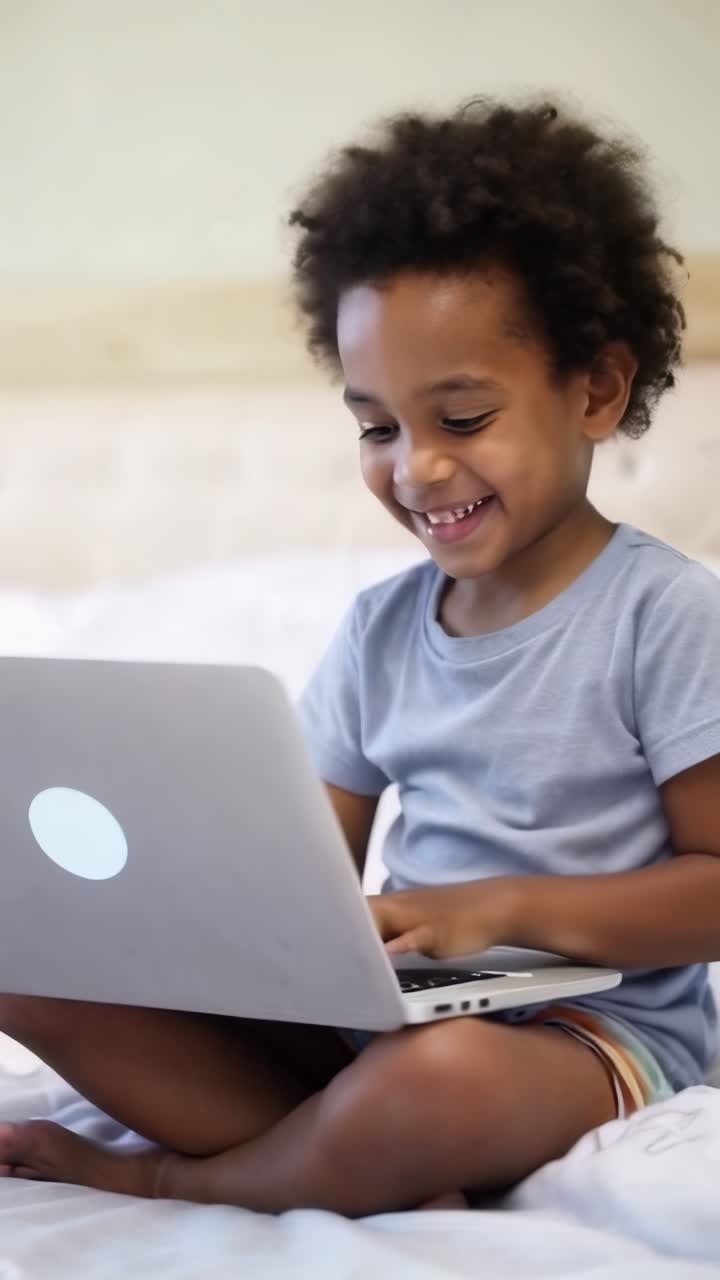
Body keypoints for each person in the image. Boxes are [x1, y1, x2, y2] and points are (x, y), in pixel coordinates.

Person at [1, 97, 719, 1217]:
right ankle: (359, 1153)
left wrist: (497, 909)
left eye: (464, 416)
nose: (418, 468)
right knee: (29, 970)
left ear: (595, 388)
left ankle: (175, 1174)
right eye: (378, 428)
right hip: (403, 1010)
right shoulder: (382, 629)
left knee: (434, 1080)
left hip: (590, 1028)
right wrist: (192, 928)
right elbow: (304, 878)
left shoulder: (663, 614)